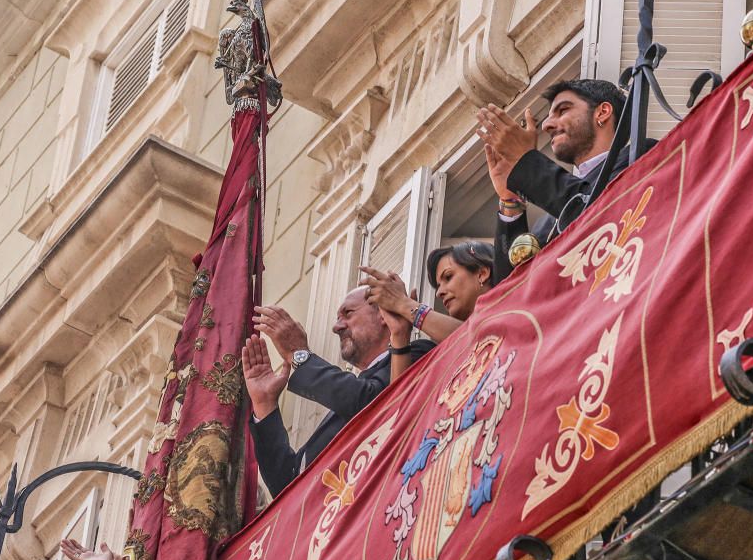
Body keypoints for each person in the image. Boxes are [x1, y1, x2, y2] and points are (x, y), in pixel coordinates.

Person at [243, 287, 435, 495]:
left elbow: (375, 406)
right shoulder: (344, 403)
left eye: (348, 313)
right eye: (337, 318)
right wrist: (265, 405)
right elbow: (287, 485)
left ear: (383, 314)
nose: (336, 327)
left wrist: (299, 354)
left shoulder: (417, 353)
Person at [476, 78, 652, 281]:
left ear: (602, 112)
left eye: (563, 110)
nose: (547, 125)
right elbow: (508, 289)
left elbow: (600, 216)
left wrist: (526, 162)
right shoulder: (548, 222)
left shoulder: (641, 157)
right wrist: (510, 200)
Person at [361, 241, 494, 380]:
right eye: (437, 286)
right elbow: (402, 401)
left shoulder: (514, 311)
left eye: (448, 277)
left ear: (482, 273)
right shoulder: (446, 355)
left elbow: (482, 337)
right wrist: (400, 335)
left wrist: (404, 304)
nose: (439, 293)